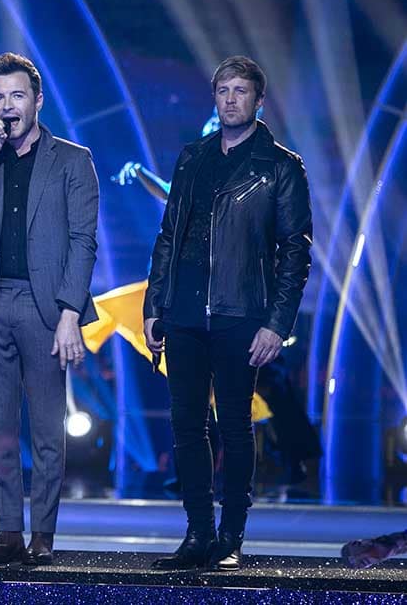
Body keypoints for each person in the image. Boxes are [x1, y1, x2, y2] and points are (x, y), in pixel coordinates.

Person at [144, 55, 312, 571]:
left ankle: (231, 536)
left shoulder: (280, 166)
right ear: (214, 98)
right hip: (184, 311)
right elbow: (168, 236)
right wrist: (154, 305)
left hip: (242, 312)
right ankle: (197, 533)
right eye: (223, 90)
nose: (231, 99)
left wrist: (277, 324)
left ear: (259, 101)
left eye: (241, 91)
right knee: (186, 425)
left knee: (236, 425)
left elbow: (295, 251)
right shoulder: (192, 158)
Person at [0, 52, 99, 565]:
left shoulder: (72, 160)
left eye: (17, 95)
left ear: (37, 100)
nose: (7, 106)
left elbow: (83, 241)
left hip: (45, 306)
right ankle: (7, 531)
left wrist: (70, 313)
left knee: (48, 430)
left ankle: (43, 536)